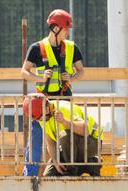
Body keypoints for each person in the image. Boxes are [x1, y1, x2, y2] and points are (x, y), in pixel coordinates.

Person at [20, 9, 84, 176]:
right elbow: (24, 72)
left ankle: (68, 170)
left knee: (66, 138)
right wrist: (40, 78)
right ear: (56, 29)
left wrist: (71, 78)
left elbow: (81, 72)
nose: (68, 32)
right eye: (66, 29)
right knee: (37, 138)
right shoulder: (36, 48)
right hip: (42, 104)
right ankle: (30, 176)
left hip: (64, 102)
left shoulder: (71, 48)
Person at [23, 94, 104, 177]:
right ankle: (91, 164)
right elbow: (50, 142)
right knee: (49, 174)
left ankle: (71, 171)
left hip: (93, 142)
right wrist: (56, 161)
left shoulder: (63, 108)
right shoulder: (42, 118)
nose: (39, 120)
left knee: (65, 135)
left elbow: (85, 130)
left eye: (40, 118)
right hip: (71, 147)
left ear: (46, 110)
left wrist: (64, 121)